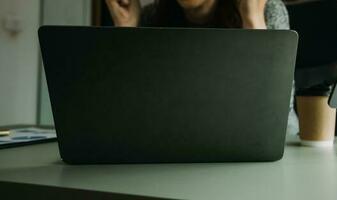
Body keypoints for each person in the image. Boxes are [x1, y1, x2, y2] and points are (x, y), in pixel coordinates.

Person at [104, 0, 300, 135]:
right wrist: (127, 30)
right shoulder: (152, 18)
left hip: (273, 152)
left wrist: (253, 23)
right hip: (180, 154)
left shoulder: (265, 10)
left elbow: (277, 112)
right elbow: (132, 112)